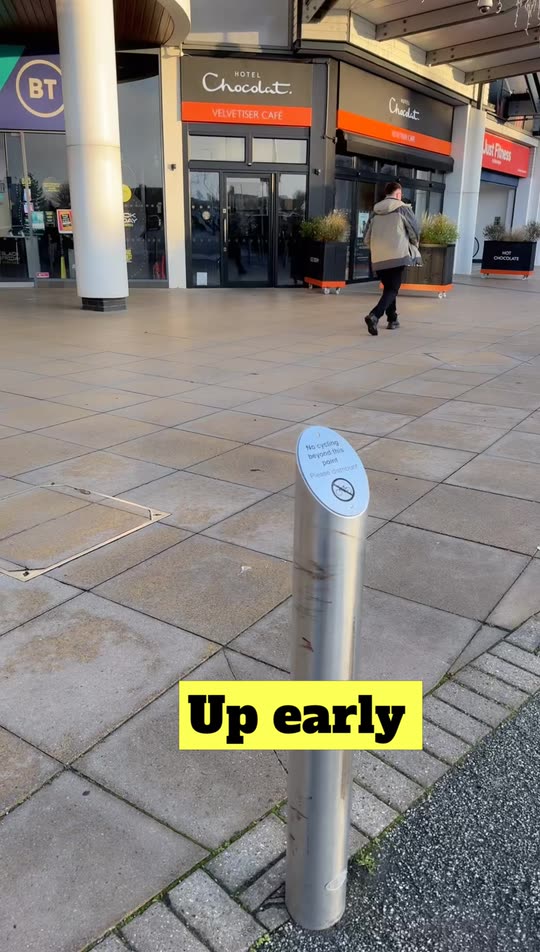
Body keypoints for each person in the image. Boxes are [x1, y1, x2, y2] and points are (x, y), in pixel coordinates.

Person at [363, 182, 420, 336]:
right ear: (398, 194)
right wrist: (414, 244)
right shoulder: (403, 209)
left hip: (378, 256)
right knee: (393, 289)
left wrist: (375, 248)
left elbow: (367, 236)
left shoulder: (375, 211)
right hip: (397, 254)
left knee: (389, 287)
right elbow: (414, 230)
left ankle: (392, 318)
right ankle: (374, 315)